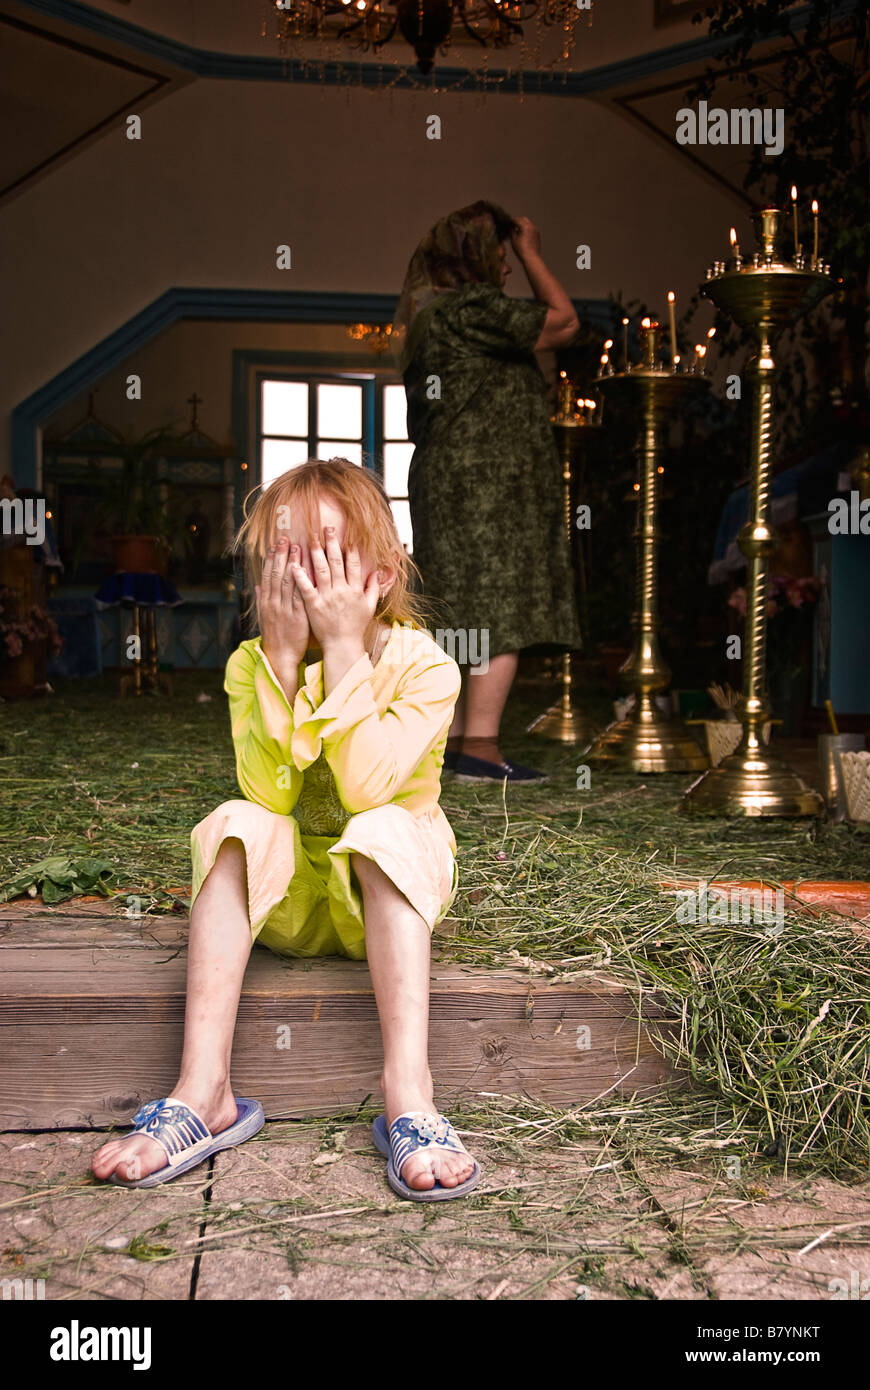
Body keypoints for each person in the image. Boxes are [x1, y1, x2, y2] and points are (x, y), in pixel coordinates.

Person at [91, 459, 480, 1201]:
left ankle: (410, 1094)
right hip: (298, 903)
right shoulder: (249, 665)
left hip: (387, 896)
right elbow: (267, 790)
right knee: (235, 820)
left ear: (386, 568)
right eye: (286, 556)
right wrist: (276, 659)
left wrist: (340, 652)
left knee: (384, 829)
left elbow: (369, 790)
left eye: (329, 552)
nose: (307, 576)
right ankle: (204, 1090)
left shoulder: (425, 667)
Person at [393, 199, 583, 783]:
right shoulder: (473, 308)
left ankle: (447, 746)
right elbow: (566, 323)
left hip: (449, 483)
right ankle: (477, 748)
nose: (505, 270)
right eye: (499, 257)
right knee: (501, 610)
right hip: (486, 491)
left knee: (454, 611)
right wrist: (532, 252)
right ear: (474, 259)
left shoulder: (433, 316)